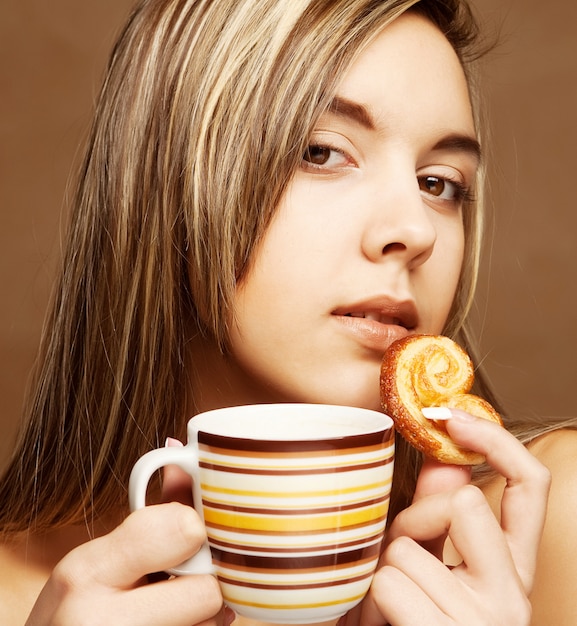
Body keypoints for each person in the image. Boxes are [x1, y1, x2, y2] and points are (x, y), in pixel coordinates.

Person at [0, 0, 575, 623]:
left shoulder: (551, 525)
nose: (415, 230)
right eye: (323, 152)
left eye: (439, 183)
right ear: (165, 182)